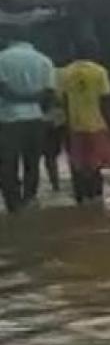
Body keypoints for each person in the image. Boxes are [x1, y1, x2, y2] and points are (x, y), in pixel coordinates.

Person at [0, 31, 56, 213]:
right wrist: (34, 102)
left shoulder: (2, 59)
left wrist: (20, 99)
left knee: (8, 164)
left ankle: (13, 205)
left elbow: (3, 90)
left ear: (10, 40)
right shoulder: (45, 61)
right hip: (36, 118)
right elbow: (49, 95)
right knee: (32, 164)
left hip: (7, 119)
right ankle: (29, 200)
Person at [59, 40, 110, 204]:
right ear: (93, 52)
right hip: (96, 124)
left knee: (77, 163)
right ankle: (96, 198)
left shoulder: (65, 73)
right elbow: (105, 100)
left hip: (74, 126)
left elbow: (63, 101)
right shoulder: (99, 71)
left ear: (73, 52)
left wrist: (66, 125)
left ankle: (80, 198)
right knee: (95, 164)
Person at [42, 64, 67, 192]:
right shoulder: (68, 73)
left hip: (48, 119)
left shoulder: (43, 71)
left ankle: (55, 186)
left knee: (50, 156)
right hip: (66, 118)